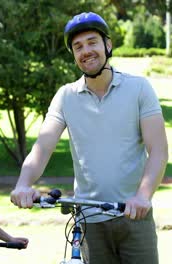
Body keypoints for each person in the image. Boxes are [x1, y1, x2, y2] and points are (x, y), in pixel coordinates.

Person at [10, 12, 168, 264]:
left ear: (108, 44)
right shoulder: (66, 96)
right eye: (78, 46)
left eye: (92, 42)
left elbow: (158, 150)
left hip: (134, 216)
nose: (86, 51)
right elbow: (42, 148)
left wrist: (143, 196)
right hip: (89, 221)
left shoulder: (139, 88)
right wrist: (23, 183)